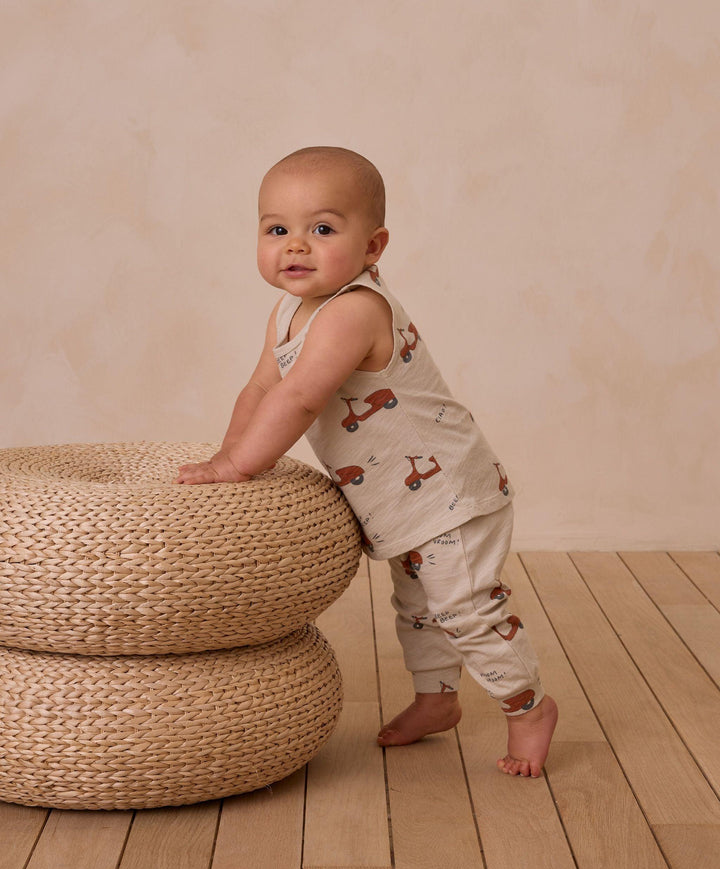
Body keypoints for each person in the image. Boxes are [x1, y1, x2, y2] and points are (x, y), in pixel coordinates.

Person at [176, 146, 558, 777]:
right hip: (400, 501)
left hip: (450, 493)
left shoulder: (355, 309)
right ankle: (437, 701)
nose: (296, 245)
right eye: (277, 229)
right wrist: (225, 454)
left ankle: (528, 708)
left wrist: (240, 466)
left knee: (465, 610)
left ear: (372, 247)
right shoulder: (289, 310)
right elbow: (261, 388)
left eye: (323, 229)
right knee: (418, 609)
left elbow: (299, 397)